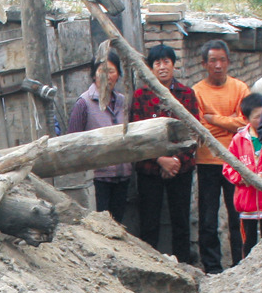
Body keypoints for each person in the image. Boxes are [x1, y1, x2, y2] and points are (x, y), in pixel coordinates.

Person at [129, 45, 199, 262]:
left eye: (166, 62)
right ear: (150, 67)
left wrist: (176, 161)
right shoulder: (141, 96)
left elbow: (194, 132)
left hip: (181, 168)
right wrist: (161, 160)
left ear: (173, 64)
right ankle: (150, 267)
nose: (162, 67)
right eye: (157, 63)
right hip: (150, 168)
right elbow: (137, 135)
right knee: (149, 222)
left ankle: (185, 268)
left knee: (181, 222)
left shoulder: (186, 94)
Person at [192, 42, 250, 272]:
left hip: (236, 161)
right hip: (207, 161)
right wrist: (230, 122)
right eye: (213, 61)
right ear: (204, 64)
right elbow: (200, 128)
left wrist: (214, 119)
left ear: (228, 61)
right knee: (208, 217)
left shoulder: (240, 88)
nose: (218, 65)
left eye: (222, 60)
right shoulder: (197, 92)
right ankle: (212, 266)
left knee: (238, 215)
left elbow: (245, 123)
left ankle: (241, 262)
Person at [67, 54, 132, 221]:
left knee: (118, 225)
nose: (106, 76)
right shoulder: (84, 104)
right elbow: (71, 142)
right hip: (97, 179)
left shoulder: (122, 102)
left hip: (122, 176)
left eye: (111, 71)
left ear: (118, 75)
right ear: (94, 74)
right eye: (101, 70)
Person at [223, 94, 262, 256]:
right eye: (257, 117)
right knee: (248, 244)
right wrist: (240, 178)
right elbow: (228, 166)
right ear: (246, 117)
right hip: (247, 204)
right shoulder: (238, 140)